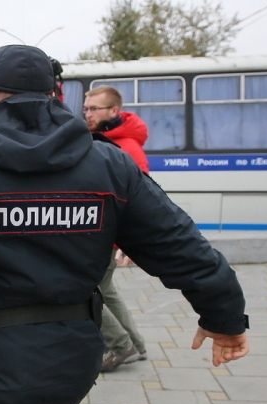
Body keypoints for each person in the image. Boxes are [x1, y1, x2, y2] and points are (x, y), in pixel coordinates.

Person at [0, 45, 248, 404]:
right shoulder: (108, 163)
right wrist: (225, 317)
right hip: (75, 354)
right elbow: (179, 245)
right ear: (54, 95)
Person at [83, 85, 149, 371]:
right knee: (106, 290)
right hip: (104, 233)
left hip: (108, 236)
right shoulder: (106, 141)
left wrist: (128, 243)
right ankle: (136, 345)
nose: (88, 114)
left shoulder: (126, 148)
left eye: (94, 109)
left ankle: (120, 346)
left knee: (87, 290)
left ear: (113, 111)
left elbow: (140, 201)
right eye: (85, 109)